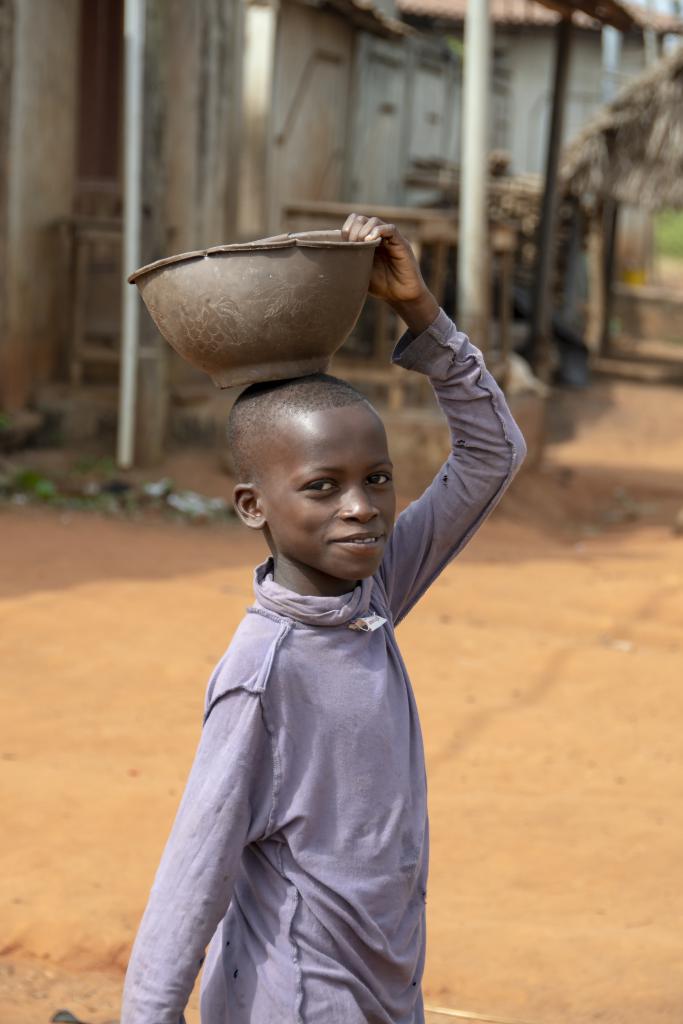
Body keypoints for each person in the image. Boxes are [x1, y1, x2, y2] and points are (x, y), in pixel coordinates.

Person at [121, 214, 527, 1024]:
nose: (361, 510)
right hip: (299, 1001)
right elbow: (194, 872)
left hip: (386, 986)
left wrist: (422, 316)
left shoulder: (367, 600)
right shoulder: (262, 674)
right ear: (252, 505)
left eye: (377, 480)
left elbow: (492, 453)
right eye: (321, 487)